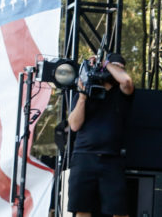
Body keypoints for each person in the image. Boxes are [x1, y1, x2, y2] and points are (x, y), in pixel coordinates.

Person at [67, 53, 135, 217]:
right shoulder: (85, 90)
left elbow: (126, 81)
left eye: (120, 68)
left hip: (111, 158)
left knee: (119, 210)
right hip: (84, 157)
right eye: (114, 66)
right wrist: (83, 97)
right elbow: (74, 125)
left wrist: (106, 64)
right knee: (82, 210)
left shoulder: (122, 93)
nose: (116, 71)